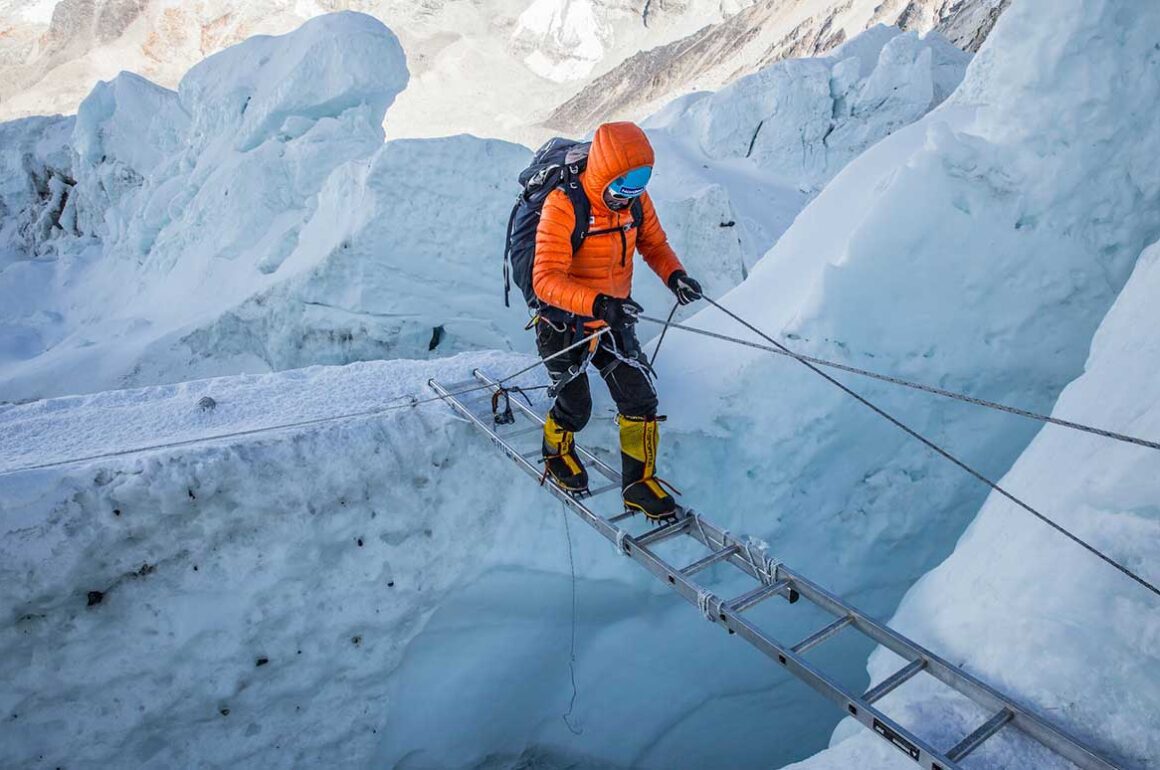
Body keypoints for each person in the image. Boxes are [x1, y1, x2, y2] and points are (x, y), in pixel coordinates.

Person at [532, 121, 703, 521]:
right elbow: (545, 279)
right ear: (604, 173)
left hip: (612, 318)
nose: (629, 196)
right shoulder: (564, 204)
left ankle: (638, 485)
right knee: (576, 408)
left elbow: (654, 244)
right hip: (564, 325)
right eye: (623, 185)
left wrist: (674, 275)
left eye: (640, 182)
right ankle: (555, 451)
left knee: (639, 399)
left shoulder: (636, 203)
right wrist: (598, 304)